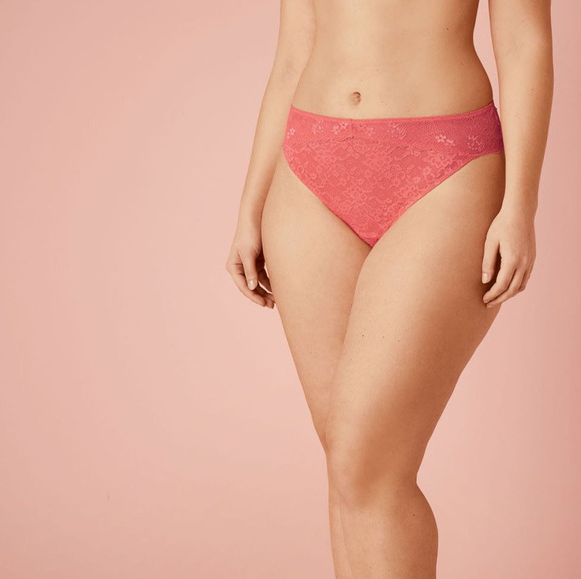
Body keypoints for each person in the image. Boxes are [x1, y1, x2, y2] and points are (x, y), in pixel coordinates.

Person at [226, 0, 553, 576]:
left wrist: (520, 205)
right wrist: (249, 207)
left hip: (448, 164)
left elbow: (524, 43)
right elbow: (292, 56)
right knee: (347, 469)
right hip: (307, 170)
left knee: (369, 464)